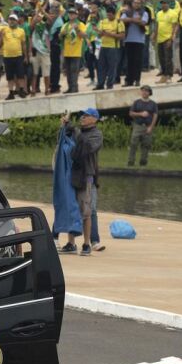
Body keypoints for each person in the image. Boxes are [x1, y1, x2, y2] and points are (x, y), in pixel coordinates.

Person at [59, 108, 103, 256]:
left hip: (86, 176)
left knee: (86, 212)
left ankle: (86, 244)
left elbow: (86, 149)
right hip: (71, 175)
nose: (83, 118)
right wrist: (64, 127)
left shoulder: (96, 135)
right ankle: (71, 243)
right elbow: (62, 143)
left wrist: (75, 131)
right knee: (71, 209)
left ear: (95, 119)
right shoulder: (77, 131)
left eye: (87, 116)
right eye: (82, 116)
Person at [121, 0, 150, 87]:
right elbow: (122, 20)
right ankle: (128, 80)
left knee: (137, 61)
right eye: (135, 2)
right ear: (132, 3)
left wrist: (131, 20)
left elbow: (143, 23)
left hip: (139, 40)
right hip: (128, 39)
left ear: (140, 4)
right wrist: (134, 20)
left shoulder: (144, 12)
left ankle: (137, 80)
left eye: (138, 3)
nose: (136, 4)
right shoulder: (128, 12)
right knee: (129, 61)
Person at [127, 85, 158, 166]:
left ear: (149, 93)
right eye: (143, 90)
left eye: (146, 91)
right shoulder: (136, 102)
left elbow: (155, 115)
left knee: (146, 145)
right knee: (133, 144)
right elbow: (131, 113)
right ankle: (131, 161)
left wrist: (151, 127)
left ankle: (143, 162)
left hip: (148, 126)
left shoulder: (153, 104)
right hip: (138, 125)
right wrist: (140, 114)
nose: (144, 92)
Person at [95, 6, 125, 90]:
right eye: (107, 15)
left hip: (113, 47)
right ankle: (100, 84)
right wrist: (99, 32)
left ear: (114, 14)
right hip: (103, 46)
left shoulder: (119, 22)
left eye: (110, 15)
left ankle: (110, 84)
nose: (109, 17)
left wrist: (110, 34)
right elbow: (99, 34)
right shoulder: (103, 21)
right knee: (101, 66)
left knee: (112, 67)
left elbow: (122, 36)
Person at [1, 14, 29, 99]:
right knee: (9, 76)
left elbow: (23, 44)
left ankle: (21, 90)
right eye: (10, 19)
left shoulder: (21, 31)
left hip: (18, 55)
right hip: (7, 56)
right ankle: (11, 92)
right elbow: (0, 40)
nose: (12, 21)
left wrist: (26, 56)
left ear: (17, 21)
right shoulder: (4, 30)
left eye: (13, 20)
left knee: (20, 74)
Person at [60, 8, 87, 93]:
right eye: (70, 14)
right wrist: (61, 34)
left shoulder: (81, 24)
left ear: (76, 15)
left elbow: (84, 36)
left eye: (73, 14)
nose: (71, 15)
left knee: (74, 70)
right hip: (67, 51)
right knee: (68, 71)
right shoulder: (65, 25)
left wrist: (77, 29)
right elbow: (59, 37)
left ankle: (74, 87)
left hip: (76, 51)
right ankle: (70, 87)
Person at [153, 0, 178, 83]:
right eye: (162, 3)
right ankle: (163, 75)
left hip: (167, 38)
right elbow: (157, 25)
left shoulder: (173, 13)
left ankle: (169, 76)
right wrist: (154, 35)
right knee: (161, 58)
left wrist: (171, 38)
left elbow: (175, 26)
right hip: (160, 39)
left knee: (168, 58)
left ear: (168, 4)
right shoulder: (159, 13)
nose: (163, 5)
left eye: (165, 3)